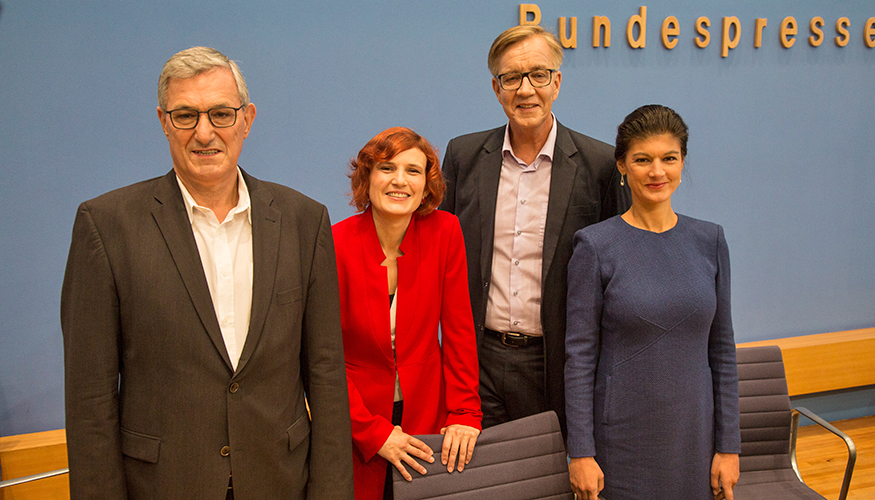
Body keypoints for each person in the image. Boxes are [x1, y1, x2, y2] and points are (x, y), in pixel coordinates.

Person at [61, 46, 353, 499]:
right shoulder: (107, 226)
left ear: (247, 119)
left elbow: (327, 374)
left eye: (220, 113)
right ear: (163, 121)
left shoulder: (303, 220)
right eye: (185, 116)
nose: (204, 133)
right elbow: (90, 400)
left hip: (280, 480)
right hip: (164, 485)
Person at [440, 25, 630, 435]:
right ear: (496, 88)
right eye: (511, 78)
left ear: (557, 83)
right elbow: (440, 249)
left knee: (550, 480)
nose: (525, 90)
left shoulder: (599, 164)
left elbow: (619, 269)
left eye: (538, 75)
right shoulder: (464, 155)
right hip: (478, 359)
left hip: (557, 361)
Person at [564, 105, 741, 500]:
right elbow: (579, 357)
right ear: (622, 166)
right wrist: (581, 452)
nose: (657, 172)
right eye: (642, 160)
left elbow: (723, 351)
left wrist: (729, 445)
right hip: (622, 442)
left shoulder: (709, 241)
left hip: (695, 438)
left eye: (669, 159)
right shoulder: (594, 246)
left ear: (682, 163)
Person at [333, 127, 482, 500]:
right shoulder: (334, 243)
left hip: (428, 416)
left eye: (413, 171)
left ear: (426, 185)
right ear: (367, 178)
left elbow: (459, 330)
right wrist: (372, 432)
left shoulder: (445, 231)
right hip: (355, 421)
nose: (400, 180)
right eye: (387, 168)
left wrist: (464, 413)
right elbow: (324, 358)